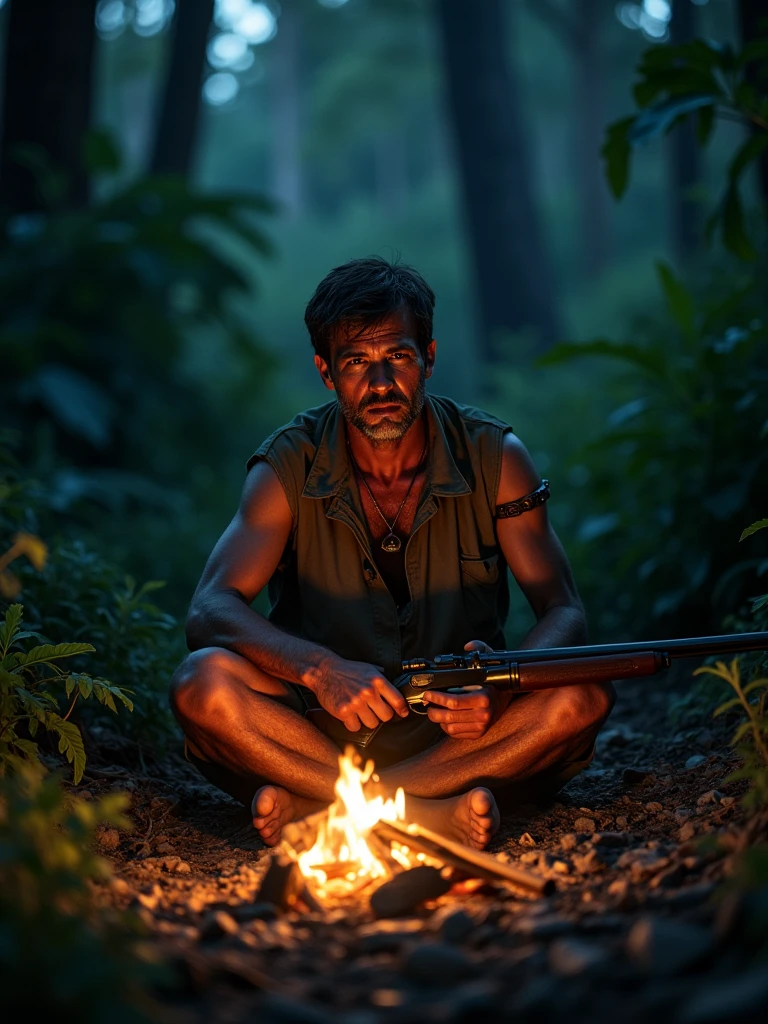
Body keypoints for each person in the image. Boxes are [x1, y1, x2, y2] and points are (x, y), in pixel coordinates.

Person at [170, 257, 614, 851]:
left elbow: (564, 610)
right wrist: (320, 671)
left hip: (461, 735)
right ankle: (426, 817)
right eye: (356, 362)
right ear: (326, 372)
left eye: (398, 358)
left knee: (581, 695)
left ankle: (338, 812)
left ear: (428, 357)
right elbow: (209, 610)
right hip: (311, 732)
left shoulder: (496, 457)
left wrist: (499, 687)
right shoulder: (287, 466)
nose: (380, 385)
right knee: (202, 684)